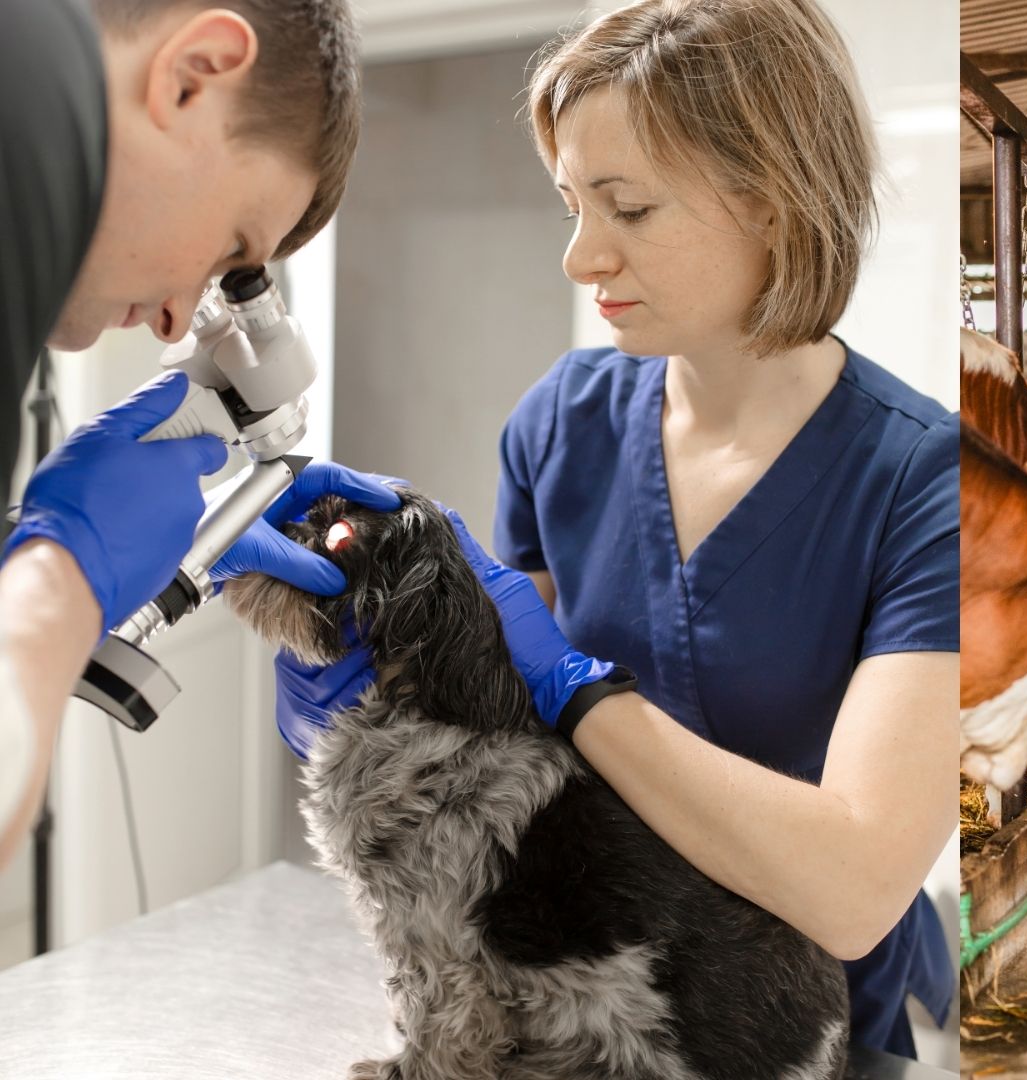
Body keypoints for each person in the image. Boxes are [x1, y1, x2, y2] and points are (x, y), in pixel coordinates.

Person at [272, 0, 959, 1059]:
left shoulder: (923, 481)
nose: (581, 257)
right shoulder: (563, 421)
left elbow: (856, 888)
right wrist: (371, 675)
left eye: (628, 209)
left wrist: (582, 693)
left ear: (773, 204)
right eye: (571, 206)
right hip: (584, 1020)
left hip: (794, 1034)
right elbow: (496, 737)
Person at [0, 0, 388, 871]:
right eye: (231, 248)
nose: (179, 311)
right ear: (193, 73)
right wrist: (65, 571)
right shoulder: (21, 132)